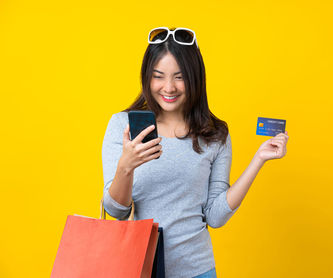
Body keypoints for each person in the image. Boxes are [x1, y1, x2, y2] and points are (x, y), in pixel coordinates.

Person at [101, 26, 289, 278]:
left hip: (197, 270)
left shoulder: (214, 133)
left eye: (180, 77)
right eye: (158, 76)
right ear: (147, 77)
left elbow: (215, 216)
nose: (169, 87)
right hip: (138, 269)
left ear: (195, 77)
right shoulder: (122, 126)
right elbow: (116, 211)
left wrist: (259, 159)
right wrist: (127, 166)